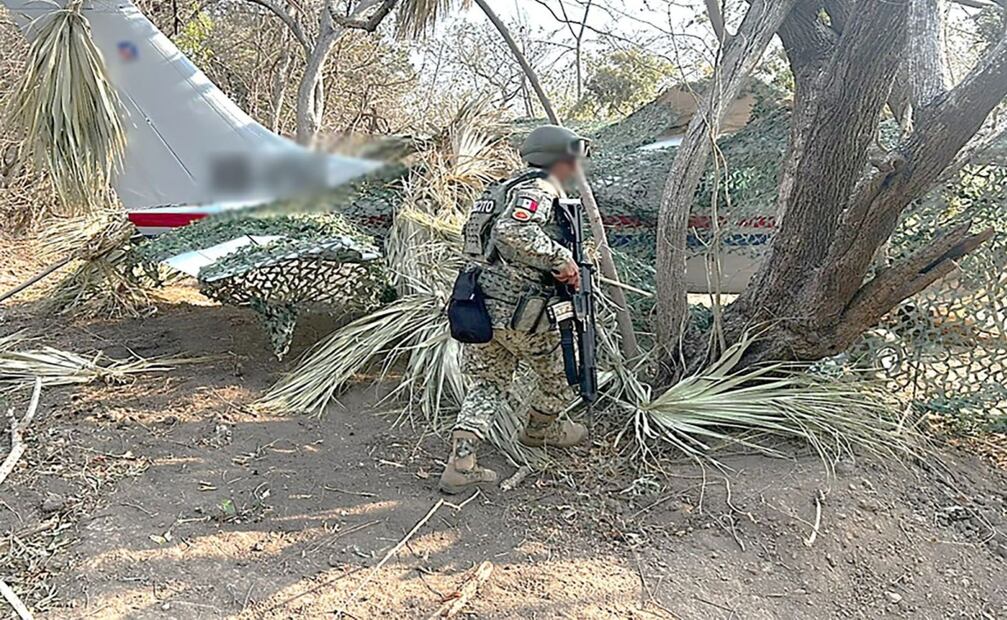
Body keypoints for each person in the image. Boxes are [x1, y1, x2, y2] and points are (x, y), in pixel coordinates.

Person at [439, 124, 592, 495]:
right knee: (563, 373)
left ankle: (462, 461)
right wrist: (563, 262)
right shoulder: (537, 190)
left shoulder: (497, 192)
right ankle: (541, 430)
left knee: (489, 382)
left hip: (482, 312)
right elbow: (514, 232)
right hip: (526, 313)